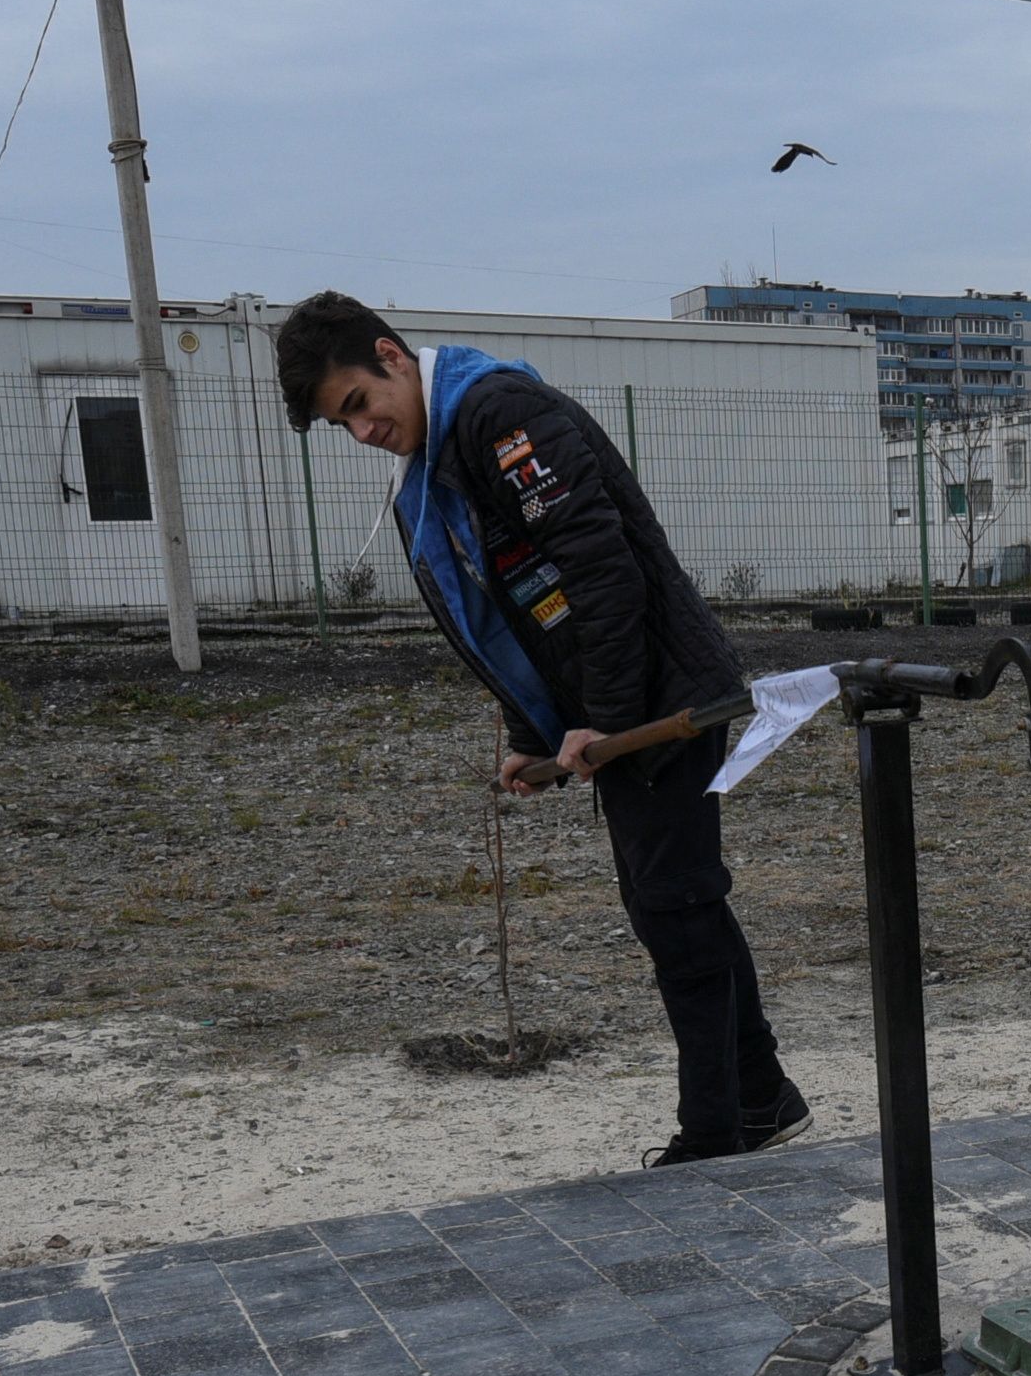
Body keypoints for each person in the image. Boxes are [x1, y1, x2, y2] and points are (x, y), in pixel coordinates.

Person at [274, 292, 805, 1165]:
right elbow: (505, 617)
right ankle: (763, 1097)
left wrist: (603, 720)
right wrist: (534, 735)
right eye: (343, 424)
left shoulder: (499, 414)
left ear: (392, 357)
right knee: (672, 903)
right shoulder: (443, 459)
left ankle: (717, 1133)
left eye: (358, 405)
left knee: (677, 909)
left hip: (664, 700)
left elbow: (601, 574)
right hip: (634, 705)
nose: (361, 432)